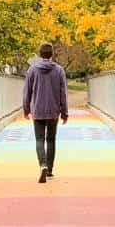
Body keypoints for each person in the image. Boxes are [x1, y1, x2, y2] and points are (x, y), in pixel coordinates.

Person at [22, 43, 68, 183]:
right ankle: (49, 170)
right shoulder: (59, 70)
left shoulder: (32, 70)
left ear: (40, 54)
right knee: (51, 139)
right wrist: (64, 112)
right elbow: (63, 93)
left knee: (39, 139)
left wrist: (26, 109)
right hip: (53, 111)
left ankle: (42, 165)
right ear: (52, 54)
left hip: (38, 110)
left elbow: (27, 91)